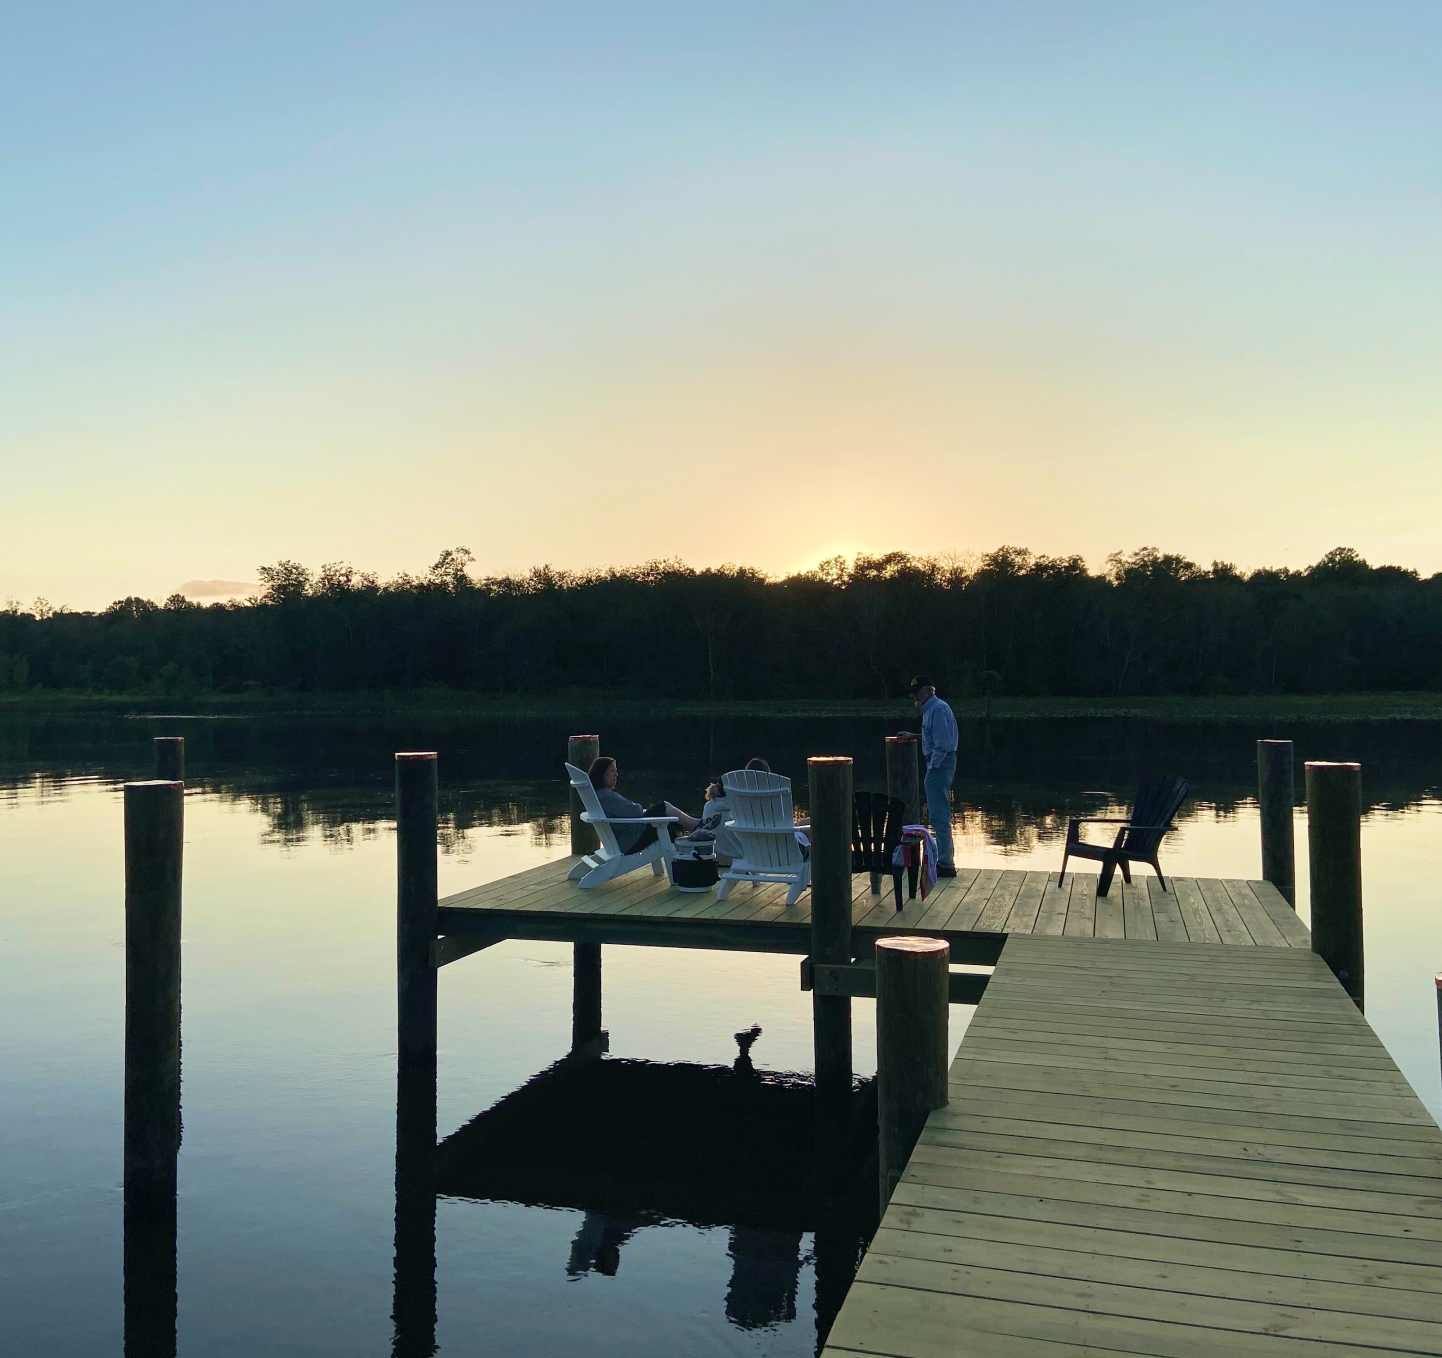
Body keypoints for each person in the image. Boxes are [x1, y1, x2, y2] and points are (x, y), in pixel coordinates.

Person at [896, 675, 959, 876]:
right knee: (937, 813)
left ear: (927, 690)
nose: (914, 696)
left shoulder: (938, 709)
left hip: (939, 765)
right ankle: (944, 861)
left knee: (939, 815)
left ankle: (946, 864)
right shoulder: (932, 709)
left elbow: (943, 744)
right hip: (938, 764)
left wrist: (933, 766)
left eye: (916, 692)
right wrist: (914, 737)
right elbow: (934, 737)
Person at [587, 756, 698, 853]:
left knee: (669, 821)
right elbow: (634, 811)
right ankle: (695, 827)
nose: (616, 774)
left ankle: (693, 834)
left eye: (616, 771)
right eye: (612, 771)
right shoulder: (606, 796)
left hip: (621, 839)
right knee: (663, 808)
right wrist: (637, 806)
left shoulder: (598, 794)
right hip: (629, 841)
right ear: (601, 773)